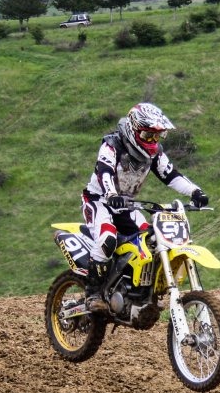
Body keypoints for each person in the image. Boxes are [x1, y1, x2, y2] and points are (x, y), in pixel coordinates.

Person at [80, 102, 208, 310]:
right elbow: (104, 172)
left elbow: (171, 175)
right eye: (148, 135)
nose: (152, 141)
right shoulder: (112, 145)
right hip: (99, 200)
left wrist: (195, 191)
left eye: (157, 136)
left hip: (127, 205)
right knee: (107, 239)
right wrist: (111, 194)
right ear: (133, 129)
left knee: (150, 241)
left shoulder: (154, 153)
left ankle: (138, 292)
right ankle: (93, 295)